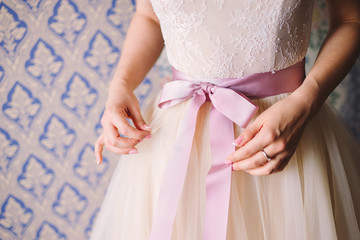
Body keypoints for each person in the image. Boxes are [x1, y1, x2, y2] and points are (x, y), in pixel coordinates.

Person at [91, 0, 360, 239]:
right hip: (177, 136)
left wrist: (305, 104)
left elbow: (350, 20)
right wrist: (121, 85)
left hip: (281, 129)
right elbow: (149, 16)